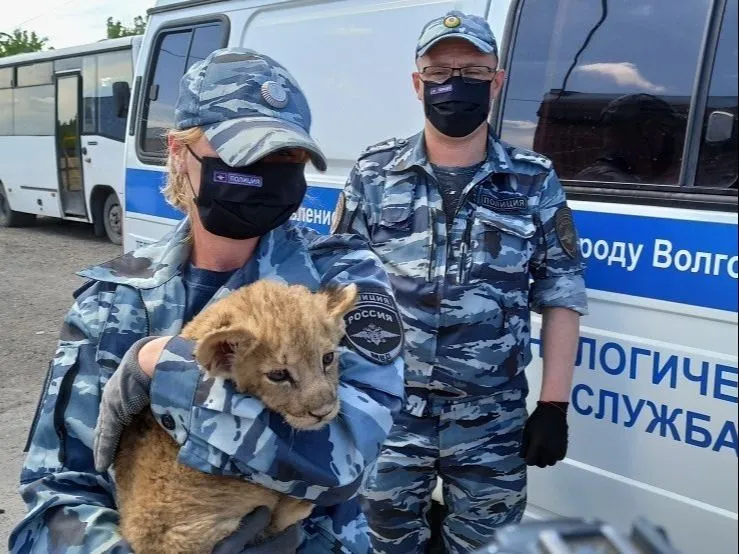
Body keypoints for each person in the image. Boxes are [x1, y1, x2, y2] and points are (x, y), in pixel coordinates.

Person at [9, 47, 405, 554]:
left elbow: (343, 460)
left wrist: (164, 365)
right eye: (242, 158)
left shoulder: (338, 279)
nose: (265, 175)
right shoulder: (113, 297)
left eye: (286, 159)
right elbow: (56, 494)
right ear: (179, 153)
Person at [332, 11, 589, 554]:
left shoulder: (532, 177)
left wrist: (554, 406)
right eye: (440, 69)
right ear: (416, 82)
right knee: (381, 545)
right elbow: (337, 285)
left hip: (490, 420)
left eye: (473, 71)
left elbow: (562, 291)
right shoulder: (373, 174)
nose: (455, 83)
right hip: (388, 412)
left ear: (496, 82)